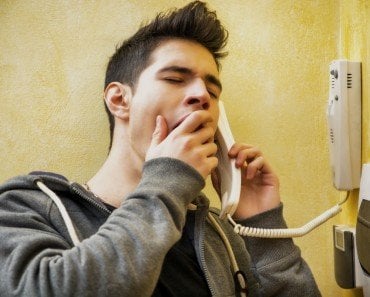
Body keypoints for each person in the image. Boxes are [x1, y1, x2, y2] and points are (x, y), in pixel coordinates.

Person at [0, 1, 321, 296]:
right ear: (119, 99)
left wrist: (263, 225)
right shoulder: (27, 207)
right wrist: (167, 182)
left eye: (212, 89)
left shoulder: (218, 234)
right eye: (176, 78)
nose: (202, 96)